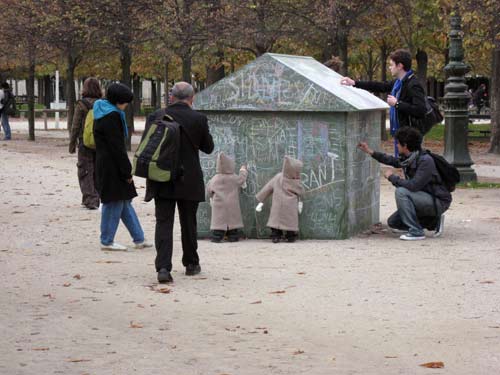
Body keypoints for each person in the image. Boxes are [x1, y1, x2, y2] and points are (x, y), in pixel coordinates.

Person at [144, 82, 214, 283]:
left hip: (161, 176)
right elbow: (208, 147)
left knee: (164, 222)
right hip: (188, 177)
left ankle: (164, 268)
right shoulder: (198, 118)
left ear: (171, 97)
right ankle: (191, 263)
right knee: (188, 222)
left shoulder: (157, 116)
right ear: (192, 98)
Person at [357, 126, 451, 241]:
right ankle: (434, 221)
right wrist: (369, 151)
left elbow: (413, 186)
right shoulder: (410, 157)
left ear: (405, 145)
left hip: (437, 200)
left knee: (401, 192)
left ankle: (416, 231)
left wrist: (392, 177)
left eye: (398, 143)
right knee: (394, 222)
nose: (396, 146)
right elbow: (392, 160)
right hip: (422, 197)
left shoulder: (425, 161)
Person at [93, 83, 152, 251]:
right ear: (118, 101)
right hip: (112, 167)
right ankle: (107, 240)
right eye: (125, 102)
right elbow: (117, 148)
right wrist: (127, 171)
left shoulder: (101, 110)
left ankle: (139, 238)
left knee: (124, 202)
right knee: (113, 202)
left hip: (107, 163)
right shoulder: (111, 117)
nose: (126, 106)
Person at [341, 49, 426, 156]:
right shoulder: (398, 83)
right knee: (402, 164)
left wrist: (397, 104)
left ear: (400, 66)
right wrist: (354, 83)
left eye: (391, 65)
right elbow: (380, 86)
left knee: (411, 167)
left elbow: (420, 110)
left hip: (410, 138)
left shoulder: (413, 84)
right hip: (400, 134)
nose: (390, 67)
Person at [69, 77, 102, 209]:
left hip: (85, 142)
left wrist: (72, 143)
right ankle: (98, 196)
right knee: (98, 170)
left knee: (85, 170)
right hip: (100, 142)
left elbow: (75, 126)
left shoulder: (81, 104)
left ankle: (90, 199)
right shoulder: (103, 104)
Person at [255, 156, 305, 243]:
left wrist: (261, 198)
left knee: (276, 223)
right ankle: (290, 236)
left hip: (277, 206)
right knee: (290, 223)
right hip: (290, 207)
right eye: (297, 172)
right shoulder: (295, 182)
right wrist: (301, 201)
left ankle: (276, 236)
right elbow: (301, 192)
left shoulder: (278, 177)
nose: (298, 174)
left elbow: (268, 188)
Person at [206, 152, 248, 243]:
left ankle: (216, 236)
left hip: (218, 204)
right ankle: (233, 236)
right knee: (232, 223)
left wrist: (211, 197)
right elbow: (242, 179)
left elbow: (209, 190)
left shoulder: (215, 178)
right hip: (232, 204)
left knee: (219, 223)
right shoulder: (234, 177)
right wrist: (243, 170)